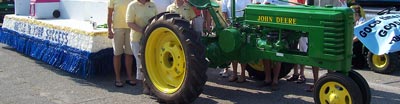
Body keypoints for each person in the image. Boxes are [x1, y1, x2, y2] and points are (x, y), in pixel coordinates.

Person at [126, 0, 157, 94]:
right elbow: (129, 23)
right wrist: (143, 30)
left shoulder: (152, 5)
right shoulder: (132, 5)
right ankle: (145, 86)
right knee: (141, 63)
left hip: (151, 38)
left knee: (152, 62)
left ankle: (154, 86)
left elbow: (156, 20)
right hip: (137, 39)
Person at [221, 0, 252, 83]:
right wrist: (228, 23)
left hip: (243, 26)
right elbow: (224, 11)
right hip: (232, 26)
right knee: (233, 52)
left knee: (242, 52)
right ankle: (234, 74)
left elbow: (248, 11)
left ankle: (242, 74)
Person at [108, 0, 135, 87]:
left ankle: (129, 76)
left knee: (129, 54)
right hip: (117, 28)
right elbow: (109, 14)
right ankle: (118, 78)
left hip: (131, 27)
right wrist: (109, 30)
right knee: (117, 53)